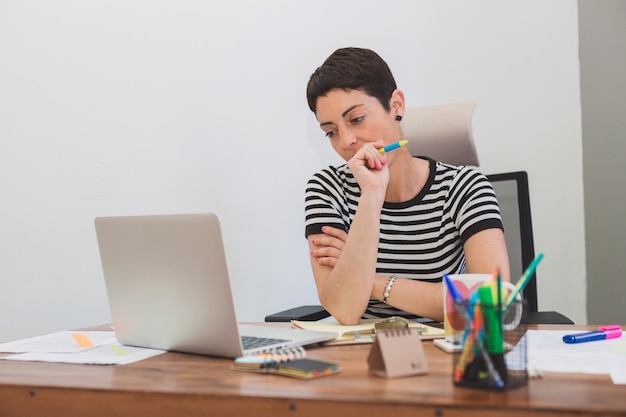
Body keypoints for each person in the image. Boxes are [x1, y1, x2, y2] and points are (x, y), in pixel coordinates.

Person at [304, 47, 510, 325]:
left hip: (447, 350)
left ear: (396, 105)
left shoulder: (466, 187)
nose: (346, 141)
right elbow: (344, 309)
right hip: (362, 354)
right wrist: (372, 194)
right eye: (331, 132)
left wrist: (369, 280)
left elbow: (489, 305)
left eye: (356, 119)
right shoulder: (327, 188)